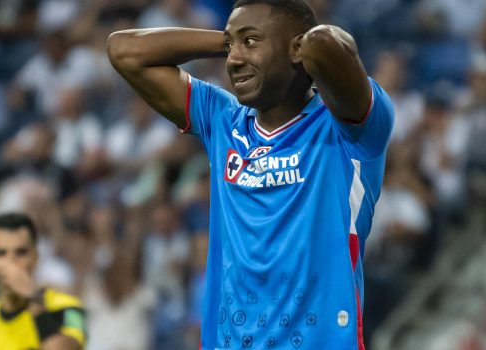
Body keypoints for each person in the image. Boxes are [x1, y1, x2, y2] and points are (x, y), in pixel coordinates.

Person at [107, 0, 394, 349]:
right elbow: (123, 50)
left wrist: (295, 43)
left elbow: (325, 44)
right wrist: (230, 38)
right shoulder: (222, 121)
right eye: (231, 47)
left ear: (296, 49)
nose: (233, 60)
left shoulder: (350, 130)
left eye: (251, 42)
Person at [0, 213, 86, 350]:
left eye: (21, 252)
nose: (11, 262)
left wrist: (35, 297)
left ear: (35, 256)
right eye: (0, 253)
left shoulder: (69, 309)